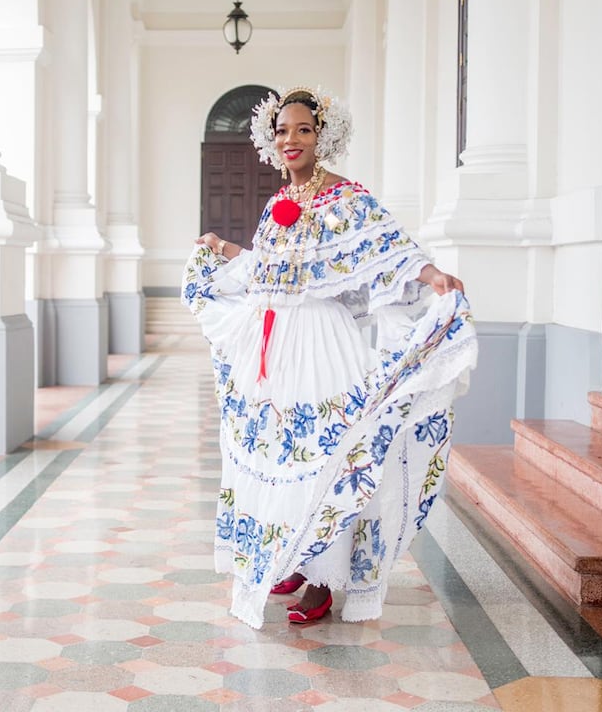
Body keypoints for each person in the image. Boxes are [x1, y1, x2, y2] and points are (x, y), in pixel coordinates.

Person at [182, 86, 478, 628]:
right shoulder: (275, 206)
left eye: (303, 130)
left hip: (320, 342)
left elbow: (388, 249)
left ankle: (323, 579)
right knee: (275, 456)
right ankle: (292, 557)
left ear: (323, 136)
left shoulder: (345, 197)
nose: (290, 140)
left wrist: (433, 276)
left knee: (322, 457)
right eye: (281, 131)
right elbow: (263, 271)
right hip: (272, 345)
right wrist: (221, 248)